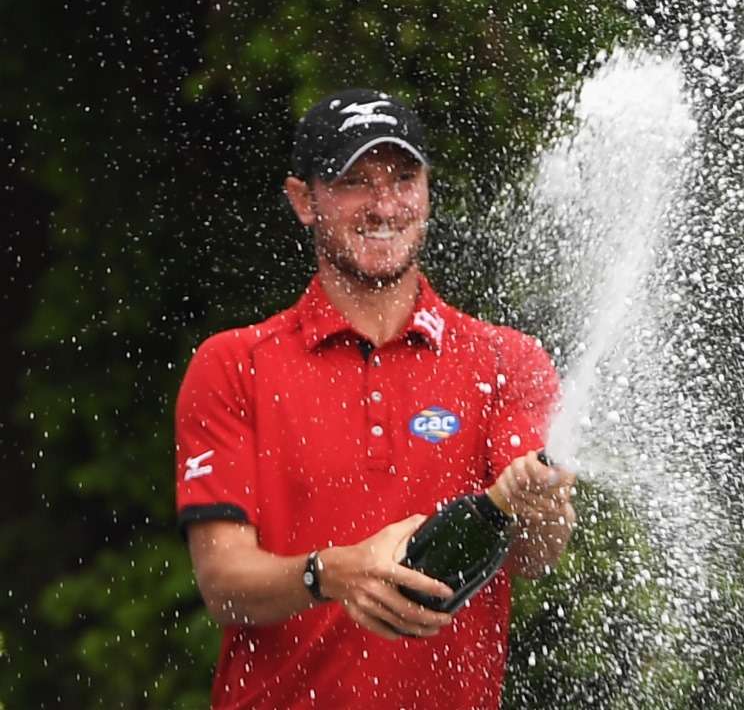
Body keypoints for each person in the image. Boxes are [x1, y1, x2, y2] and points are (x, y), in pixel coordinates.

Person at [175, 88, 576, 710]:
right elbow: (223, 582)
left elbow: (532, 554)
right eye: (354, 182)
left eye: (403, 177)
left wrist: (546, 505)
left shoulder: (505, 359)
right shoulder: (233, 365)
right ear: (303, 200)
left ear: (427, 190)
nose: (385, 204)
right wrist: (330, 573)